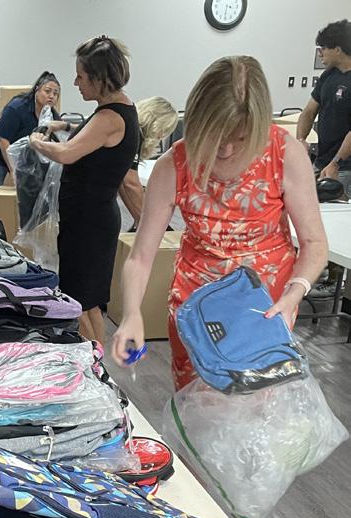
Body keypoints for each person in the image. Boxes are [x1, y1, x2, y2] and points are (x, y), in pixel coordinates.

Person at [111, 56, 328, 391]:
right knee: (198, 403)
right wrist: (131, 314)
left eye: (240, 138)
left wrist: (295, 293)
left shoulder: (284, 154)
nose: (225, 149)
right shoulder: (175, 165)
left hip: (268, 307)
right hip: (198, 312)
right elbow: (140, 257)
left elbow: (314, 244)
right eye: (214, 136)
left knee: (260, 407)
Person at [30, 36, 138, 344]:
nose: (76, 83)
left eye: (81, 76)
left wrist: (37, 142)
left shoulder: (110, 117)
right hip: (89, 220)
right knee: (86, 302)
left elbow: (67, 153)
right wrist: (61, 127)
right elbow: (88, 137)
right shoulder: (115, 109)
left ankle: (93, 362)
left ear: (100, 78)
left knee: (80, 302)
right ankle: (96, 360)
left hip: (89, 224)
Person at [298, 19, 351, 198]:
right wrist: (300, 140)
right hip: (321, 162)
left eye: (323, 48)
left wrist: (336, 162)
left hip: (343, 168)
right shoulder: (328, 75)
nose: (320, 54)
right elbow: (309, 111)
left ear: (338, 49)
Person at [0, 71, 61, 191]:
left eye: (55, 93)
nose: (51, 96)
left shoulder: (52, 116)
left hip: (22, 155)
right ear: (37, 90)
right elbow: (2, 139)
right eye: (47, 91)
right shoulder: (17, 107)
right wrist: (13, 170)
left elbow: (58, 142)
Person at [118, 96, 179, 230]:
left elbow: (122, 182)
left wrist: (140, 218)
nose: (161, 136)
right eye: (164, 130)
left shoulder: (127, 125)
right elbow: (130, 182)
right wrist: (151, 222)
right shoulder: (134, 132)